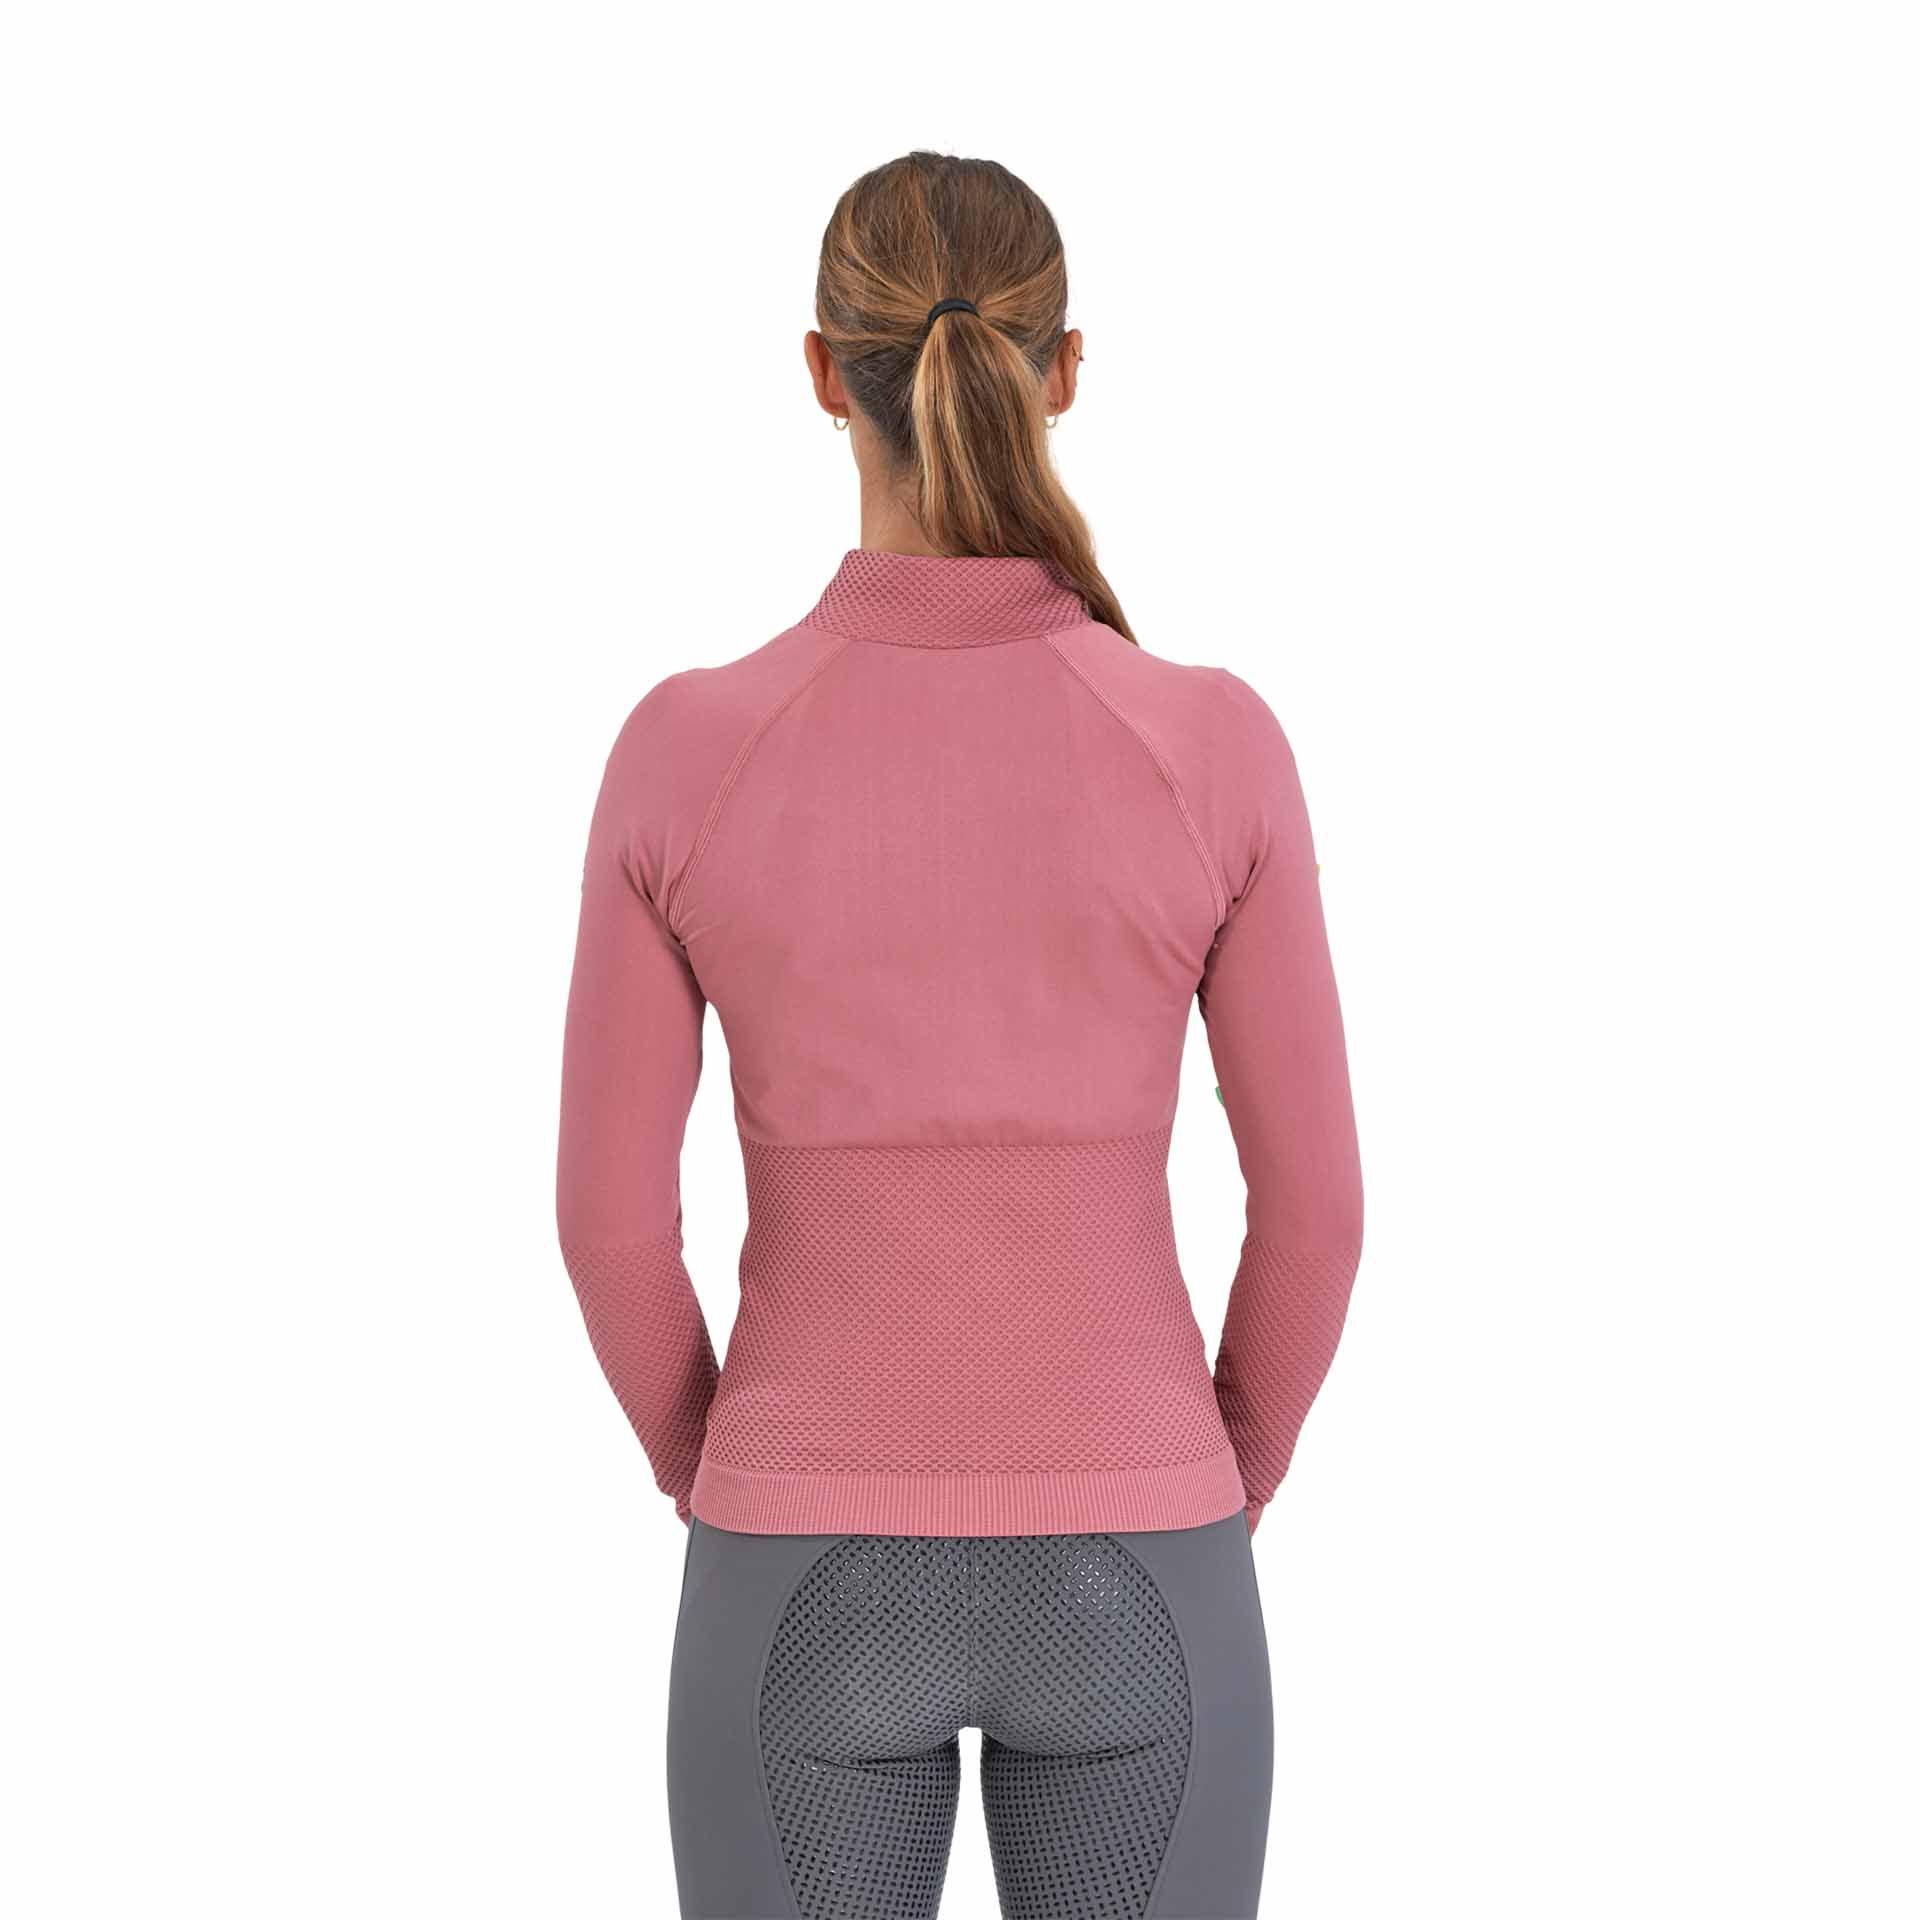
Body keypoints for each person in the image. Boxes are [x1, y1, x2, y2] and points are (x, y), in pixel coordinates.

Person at [556, 150, 1364, 1920]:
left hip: (797, 1570)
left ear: (821, 372)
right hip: (1141, 1563)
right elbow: (1316, 1214)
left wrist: (731, 1469)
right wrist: (1204, 1478)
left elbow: (609, 1227)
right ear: (1065, 370)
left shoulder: (688, 750)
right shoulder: (1210, 745)